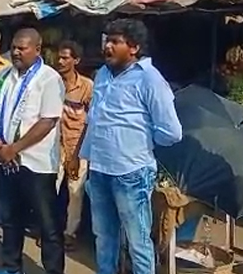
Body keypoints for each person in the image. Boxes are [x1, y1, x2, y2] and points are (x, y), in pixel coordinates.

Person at [70, 19, 182, 274]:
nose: (107, 46)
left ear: (134, 47)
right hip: (99, 171)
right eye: (106, 40)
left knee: (138, 241)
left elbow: (172, 132)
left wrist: (137, 144)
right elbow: (94, 120)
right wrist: (80, 155)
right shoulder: (102, 76)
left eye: (115, 42)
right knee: (104, 238)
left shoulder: (150, 79)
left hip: (131, 173)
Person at [0, 28, 65, 274]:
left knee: (47, 224)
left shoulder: (49, 79)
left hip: (36, 163)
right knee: (10, 219)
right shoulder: (2, 76)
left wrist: (15, 148)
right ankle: (11, 267)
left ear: (37, 49)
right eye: (14, 47)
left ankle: (52, 270)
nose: (17, 52)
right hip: (4, 160)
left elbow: (48, 121)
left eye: (23, 48)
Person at [54, 41, 92, 251]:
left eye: (65, 57)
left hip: (78, 145)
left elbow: (90, 121)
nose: (60, 61)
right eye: (59, 57)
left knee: (75, 192)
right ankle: (49, 230)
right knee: (50, 188)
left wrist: (77, 154)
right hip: (54, 145)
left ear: (76, 60)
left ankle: (70, 233)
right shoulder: (52, 82)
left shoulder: (86, 86)